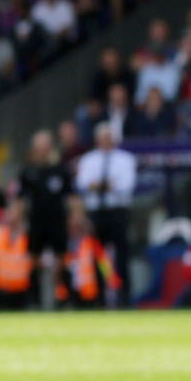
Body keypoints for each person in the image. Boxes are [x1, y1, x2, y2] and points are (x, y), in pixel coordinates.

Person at [74, 121, 136, 287]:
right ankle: (100, 294)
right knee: (98, 254)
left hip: (118, 211)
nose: (106, 141)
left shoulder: (125, 159)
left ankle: (123, 292)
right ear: (97, 140)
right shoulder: (88, 159)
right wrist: (107, 185)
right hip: (96, 213)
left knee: (122, 254)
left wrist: (97, 185)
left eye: (108, 138)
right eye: (102, 138)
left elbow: (125, 186)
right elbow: (82, 184)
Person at [13, 130, 71, 264]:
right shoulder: (27, 171)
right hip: (36, 220)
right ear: (34, 149)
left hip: (57, 220)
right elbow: (21, 198)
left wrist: (74, 217)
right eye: (40, 148)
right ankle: (36, 283)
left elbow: (71, 196)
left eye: (46, 148)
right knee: (33, 257)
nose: (43, 152)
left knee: (61, 257)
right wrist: (19, 219)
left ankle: (60, 283)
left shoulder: (60, 169)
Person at [0, 203, 33, 310]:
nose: (9, 215)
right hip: (1, 289)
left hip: (21, 290)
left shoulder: (29, 235)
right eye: (9, 212)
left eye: (13, 212)